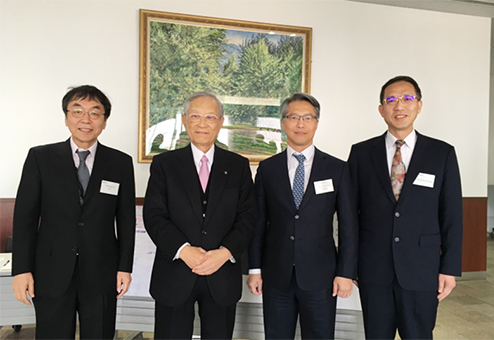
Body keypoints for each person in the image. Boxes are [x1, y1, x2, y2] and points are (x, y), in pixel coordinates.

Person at [12, 85, 136, 339]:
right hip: (51, 271)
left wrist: (125, 267)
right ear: (66, 118)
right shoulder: (40, 158)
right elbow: (25, 218)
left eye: (94, 113)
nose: (85, 120)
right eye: (77, 111)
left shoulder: (120, 163)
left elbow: (125, 220)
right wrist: (21, 270)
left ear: (104, 121)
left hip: (102, 272)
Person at [348, 76, 463, 339]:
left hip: (422, 269)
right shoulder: (361, 153)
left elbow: (452, 215)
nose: (399, 106)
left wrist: (450, 268)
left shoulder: (441, 153)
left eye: (407, 98)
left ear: (419, 105)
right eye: (391, 100)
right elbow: (349, 215)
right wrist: (350, 265)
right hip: (374, 269)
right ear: (381, 110)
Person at [143, 91, 256, 340]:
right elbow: (154, 215)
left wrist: (225, 253)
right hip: (175, 272)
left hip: (222, 274)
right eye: (195, 116)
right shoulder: (165, 164)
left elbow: (248, 218)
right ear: (184, 120)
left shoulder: (238, 165)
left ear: (221, 122)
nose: (202, 123)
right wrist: (184, 250)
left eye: (210, 117)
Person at [247, 93, 358, 339]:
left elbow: (349, 225)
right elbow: (257, 224)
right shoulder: (268, 169)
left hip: (322, 277)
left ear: (317, 123)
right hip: (276, 275)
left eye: (307, 118)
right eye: (294, 117)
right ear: (283, 122)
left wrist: (346, 272)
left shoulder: (337, 169)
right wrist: (254, 269)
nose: (301, 124)